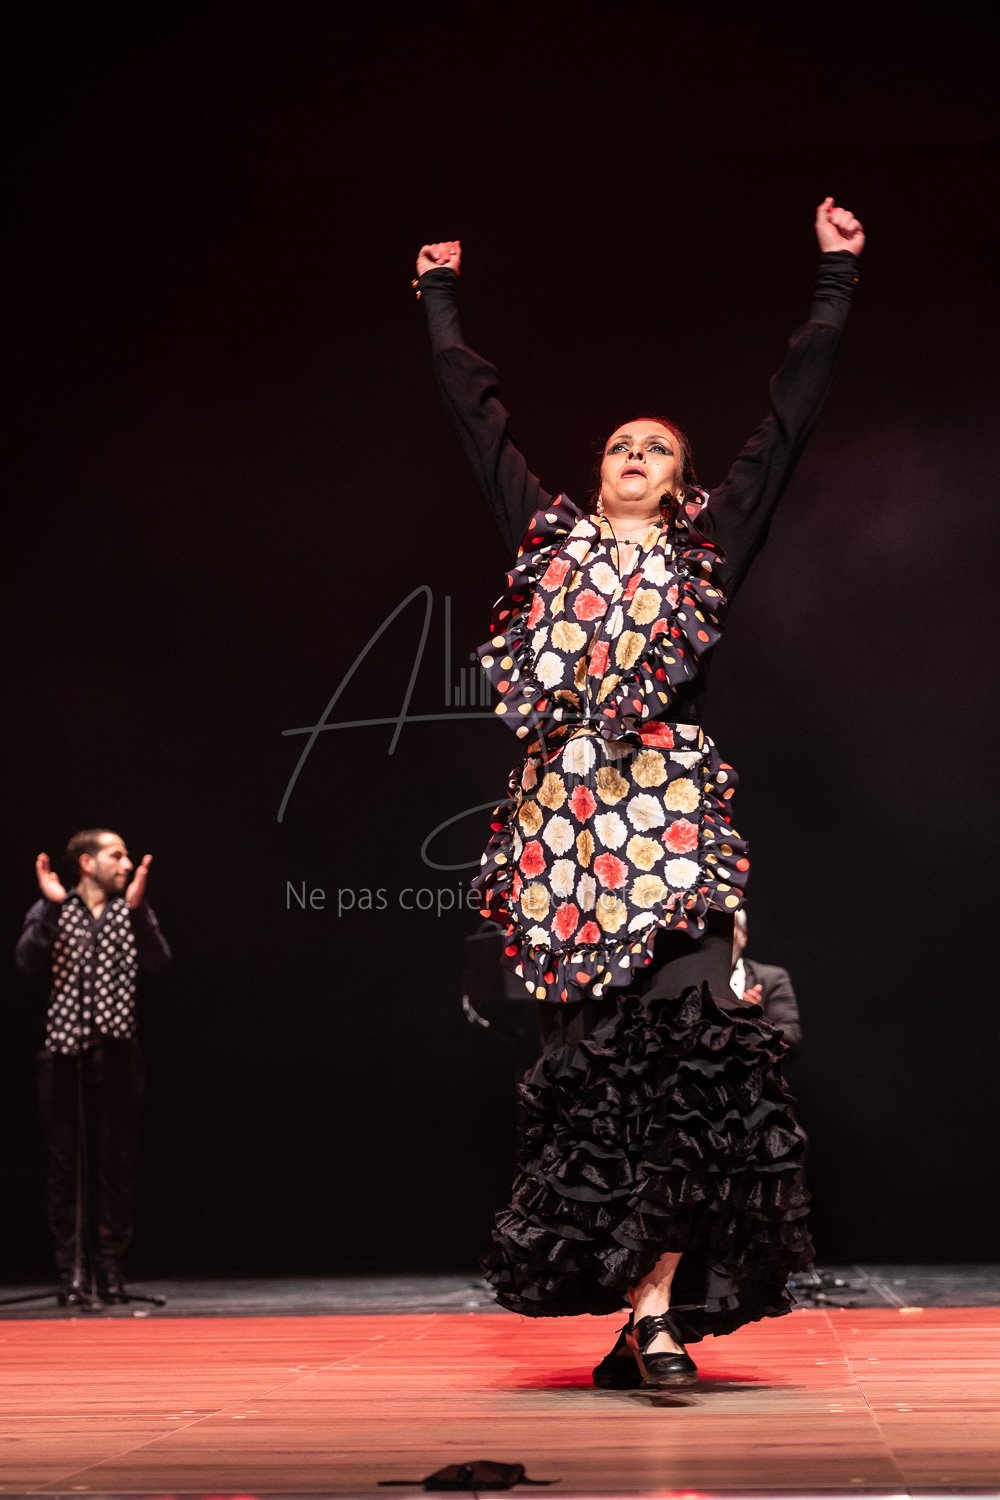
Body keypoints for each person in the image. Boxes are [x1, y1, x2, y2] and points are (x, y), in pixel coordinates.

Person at [415, 197, 864, 1389]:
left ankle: (659, 1314)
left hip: (668, 841)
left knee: (692, 1071)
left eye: (656, 448)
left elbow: (789, 422)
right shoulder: (546, 545)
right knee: (599, 1088)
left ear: (679, 484)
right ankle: (637, 1316)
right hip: (563, 855)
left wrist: (833, 280)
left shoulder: (704, 555)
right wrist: (438, 298)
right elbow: (475, 423)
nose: (632, 453)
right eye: (620, 442)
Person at [14, 830, 171, 1306]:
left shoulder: (131, 910)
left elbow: (159, 962)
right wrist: (49, 907)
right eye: (116, 855)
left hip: (118, 1055)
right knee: (66, 1168)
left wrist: (140, 912)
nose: (126, 864)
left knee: (115, 1166)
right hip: (64, 1055)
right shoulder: (55, 908)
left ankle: (111, 1272)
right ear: (87, 862)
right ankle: (73, 1273)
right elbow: (26, 962)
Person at [731, 908, 803, 1064]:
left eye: (728, 928)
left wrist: (757, 1020)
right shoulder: (689, 976)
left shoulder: (771, 978)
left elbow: (792, 1041)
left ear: (743, 936)